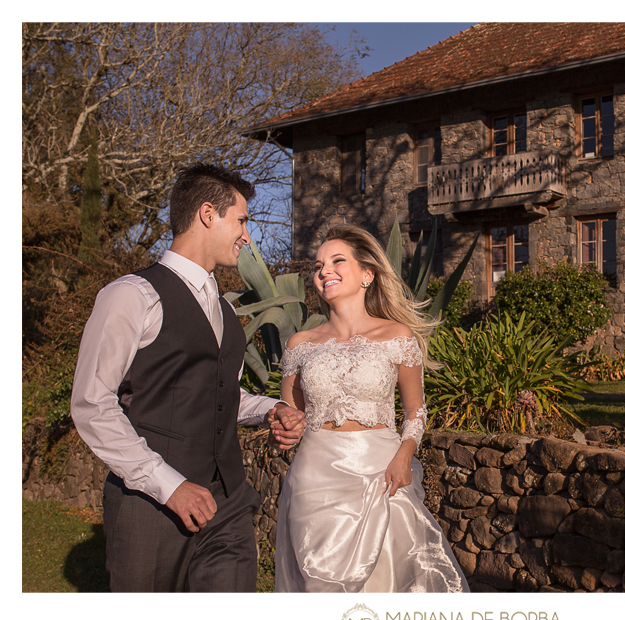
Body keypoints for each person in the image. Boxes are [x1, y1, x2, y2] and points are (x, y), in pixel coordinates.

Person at [71, 163, 306, 592]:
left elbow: (221, 393)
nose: (246, 236)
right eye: (241, 221)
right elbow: (92, 404)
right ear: (207, 214)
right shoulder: (131, 295)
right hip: (150, 510)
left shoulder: (227, 312)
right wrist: (171, 486)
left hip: (229, 504)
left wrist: (272, 407)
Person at [272, 224, 469, 592]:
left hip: (379, 472)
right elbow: (288, 410)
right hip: (313, 478)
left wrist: (403, 456)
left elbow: (415, 412)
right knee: (318, 587)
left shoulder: (397, 336)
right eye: (318, 266)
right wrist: (282, 421)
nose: (323, 271)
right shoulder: (300, 343)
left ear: (367, 274)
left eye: (336, 261)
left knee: (385, 582)